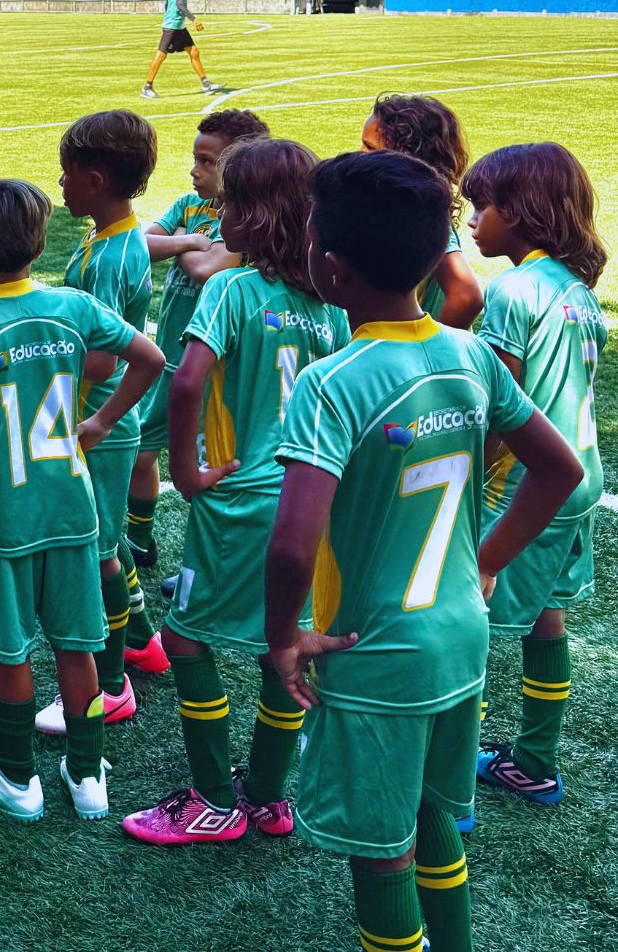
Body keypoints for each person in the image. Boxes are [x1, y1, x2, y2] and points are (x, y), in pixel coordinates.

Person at [266, 150, 581, 952]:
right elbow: (558, 469)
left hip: (377, 656)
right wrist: (483, 560)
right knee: (433, 813)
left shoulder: (332, 382)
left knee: (379, 856)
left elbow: (291, 545)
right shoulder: (469, 353)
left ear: (329, 269)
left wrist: (281, 639)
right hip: (459, 639)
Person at [121, 138, 350, 845]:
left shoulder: (231, 289)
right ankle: (273, 798)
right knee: (280, 642)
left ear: (255, 215)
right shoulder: (329, 307)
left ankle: (213, 799)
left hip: (241, 501)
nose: (219, 218)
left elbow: (185, 379)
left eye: (227, 206)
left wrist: (186, 474)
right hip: (311, 506)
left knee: (186, 641)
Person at [0, 180, 162, 824]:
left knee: (12, 651)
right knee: (75, 647)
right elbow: (150, 357)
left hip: (6, 515)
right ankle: (87, 778)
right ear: (40, 241)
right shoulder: (73, 306)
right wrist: (103, 422)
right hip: (72, 506)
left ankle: (18, 781)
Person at [462, 143, 608, 810]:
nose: (470, 220)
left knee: (471, 625)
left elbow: (500, 406)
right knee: (546, 619)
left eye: (481, 205)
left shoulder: (513, 290)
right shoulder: (575, 292)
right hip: (578, 482)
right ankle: (535, 761)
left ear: (520, 213)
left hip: (521, 489)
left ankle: (449, 782)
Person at [35, 111, 157, 737]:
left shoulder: (110, 254)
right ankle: (144, 641)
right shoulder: (113, 236)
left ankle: (111, 687)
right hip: (101, 420)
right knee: (107, 543)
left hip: (99, 423)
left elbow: (105, 355)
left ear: (96, 177)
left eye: (67, 173)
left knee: (99, 554)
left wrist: (42, 363)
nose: (59, 183)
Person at [125, 110, 268, 589]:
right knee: (141, 449)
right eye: (196, 159)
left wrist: (184, 251)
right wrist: (192, 241)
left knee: (208, 470)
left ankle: (206, 569)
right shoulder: (189, 205)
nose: (195, 170)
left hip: (214, 369)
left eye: (207, 162)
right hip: (168, 357)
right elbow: (138, 243)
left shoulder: (246, 219)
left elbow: (211, 270)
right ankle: (141, 540)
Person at [360, 95, 484, 329]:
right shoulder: (395, 212)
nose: (359, 153)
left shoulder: (422, 215)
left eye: (370, 147)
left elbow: (466, 294)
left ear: (406, 157)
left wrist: (431, 350)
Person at [142, 0, 218, 99]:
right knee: (161, 55)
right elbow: (179, 3)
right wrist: (194, 19)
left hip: (178, 25)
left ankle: (206, 84)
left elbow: (167, 1)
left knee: (194, 51)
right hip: (173, 25)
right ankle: (147, 87)